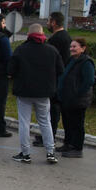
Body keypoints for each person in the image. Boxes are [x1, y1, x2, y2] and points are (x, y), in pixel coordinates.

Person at [8, 23, 63, 164]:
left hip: (24, 91)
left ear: (29, 35)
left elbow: (10, 70)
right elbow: (60, 70)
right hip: (44, 92)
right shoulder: (52, 50)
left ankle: (25, 153)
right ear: (42, 34)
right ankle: (50, 152)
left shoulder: (21, 50)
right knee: (45, 122)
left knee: (24, 122)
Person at [35, 11, 71, 148]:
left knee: (52, 110)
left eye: (49, 21)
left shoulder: (57, 39)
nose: (47, 24)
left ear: (54, 23)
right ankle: (48, 134)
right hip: (58, 77)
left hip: (55, 79)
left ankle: (49, 136)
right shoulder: (64, 36)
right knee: (51, 109)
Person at [57, 38, 95, 158]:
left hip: (78, 100)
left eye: (75, 47)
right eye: (71, 47)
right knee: (67, 122)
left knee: (77, 124)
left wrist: (77, 93)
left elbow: (89, 81)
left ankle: (77, 148)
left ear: (83, 48)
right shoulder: (71, 60)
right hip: (67, 98)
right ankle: (68, 143)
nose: (72, 49)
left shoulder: (86, 62)